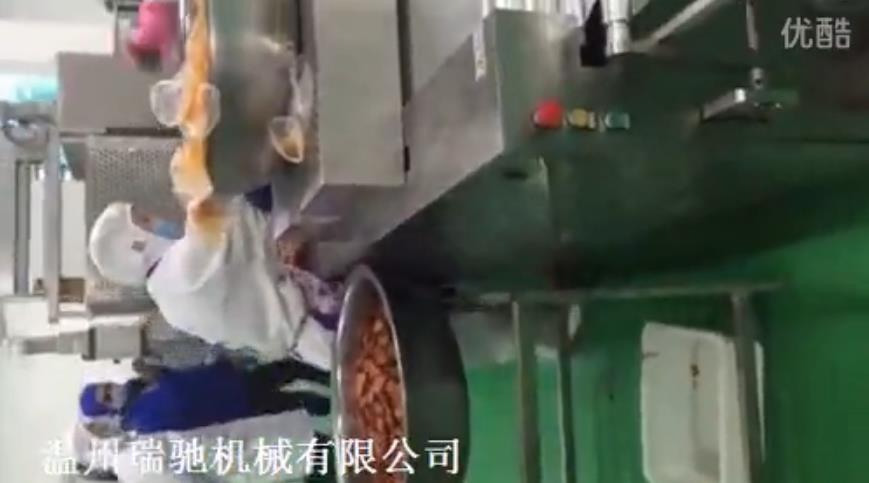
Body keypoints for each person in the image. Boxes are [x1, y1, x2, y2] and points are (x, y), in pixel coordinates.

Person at [87, 186, 341, 370]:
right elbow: (235, 215)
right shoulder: (184, 267)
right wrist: (196, 187)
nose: (156, 218)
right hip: (322, 316)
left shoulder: (169, 304)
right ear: (136, 245)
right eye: (144, 219)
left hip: (308, 340)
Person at [78, 357, 330, 436]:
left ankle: (337, 376)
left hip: (231, 381)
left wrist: (157, 372)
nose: (113, 388)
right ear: (109, 411)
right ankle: (338, 403)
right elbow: (179, 401)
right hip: (236, 406)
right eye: (107, 396)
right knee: (300, 402)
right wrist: (160, 376)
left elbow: (182, 379)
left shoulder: (139, 388)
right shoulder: (143, 422)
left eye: (107, 385)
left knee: (291, 368)